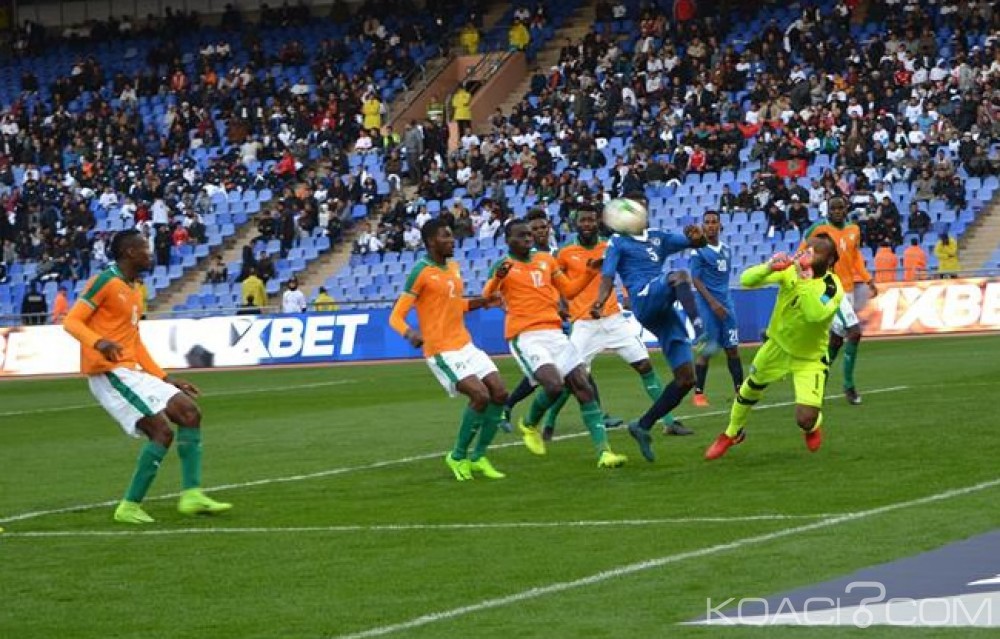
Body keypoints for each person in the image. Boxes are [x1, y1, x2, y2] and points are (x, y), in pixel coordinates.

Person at [62, 229, 231, 524]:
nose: (149, 254)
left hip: (132, 371)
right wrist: (98, 342)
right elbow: (71, 321)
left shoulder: (135, 289)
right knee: (161, 432)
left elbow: (135, 341)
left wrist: (164, 378)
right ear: (130, 252)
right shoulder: (105, 281)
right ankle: (128, 506)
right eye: (145, 249)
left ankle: (192, 496)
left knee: (189, 413)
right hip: (109, 372)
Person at [483, 220, 628, 469]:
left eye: (529, 235)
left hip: (554, 332)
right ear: (508, 240)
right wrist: (497, 279)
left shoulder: (546, 260)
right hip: (525, 335)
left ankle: (605, 453)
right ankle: (529, 423)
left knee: (583, 387)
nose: (528, 239)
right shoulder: (503, 266)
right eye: (521, 235)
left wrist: (590, 272)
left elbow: (569, 291)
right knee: (554, 385)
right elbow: (488, 297)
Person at [540, 206, 690, 439]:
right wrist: (560, 304)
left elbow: (622, 273)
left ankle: (669, 421)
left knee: (644, 365)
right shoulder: (565, 252)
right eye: (583, 220)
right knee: (572, 374)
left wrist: (629, 295)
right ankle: (549, 422)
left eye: (591, 219)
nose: (588, 224)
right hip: (584, 322)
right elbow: (557, 282)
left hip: (613, 317)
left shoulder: (610, 245)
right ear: (576, 224)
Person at [389, 219, 510, 481]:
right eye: (446, 236)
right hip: (441, 350)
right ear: (432, 241)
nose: (452, 240)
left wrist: (485, 301)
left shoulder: (453, 267)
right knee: (480, 396)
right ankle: (457, 456)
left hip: (464, 344)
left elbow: (457, 306)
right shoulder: (420, 272)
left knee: (499, 393)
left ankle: (478, 457)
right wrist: (410, 333)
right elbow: (396, 316)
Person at [704, 234, 844, 460]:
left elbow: (814, 314)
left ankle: (813, 426)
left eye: (815, 252)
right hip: (776, 347)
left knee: (805, 419)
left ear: (828, 261)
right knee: (750, 388)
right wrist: (769, 267)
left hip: (810, 358)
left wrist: (804, 281)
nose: (808, 254)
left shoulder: (832, 287)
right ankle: (730, 433)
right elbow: (746, 280)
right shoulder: (790, 270)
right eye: (808, 249)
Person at [590, 206, 708, 462]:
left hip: (663, 309)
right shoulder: (618, 242)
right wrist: (599, 302)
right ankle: (700, 328)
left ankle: (642, 425)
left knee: (686, 379)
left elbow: (696, 242)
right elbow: (607, 276)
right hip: (643, 299)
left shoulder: (659, 237)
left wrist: (697, 236)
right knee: (679, 275)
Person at [800, 197, 877, 406]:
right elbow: (802, 251)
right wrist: (804, 275)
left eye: (839, 208)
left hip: (848, 288)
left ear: (845, 209)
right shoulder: (818, 228)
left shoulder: (854, 230)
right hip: (829, 288)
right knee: (854, 332)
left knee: (836, 339)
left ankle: (818, 378)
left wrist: (868, 279)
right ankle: (849, 386)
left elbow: (855, 258)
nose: (836, 211)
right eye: (832, 208)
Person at [690, 210, 744, 407]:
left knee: (732, 349)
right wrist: (712, 303)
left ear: (720, 225)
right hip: (708, 306)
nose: (711, 225)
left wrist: (723, 302)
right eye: (707, 222)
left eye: (714, 222)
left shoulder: (727, 250)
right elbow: (695, 280)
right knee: (708, 350)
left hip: (726, 305)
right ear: (703, 226)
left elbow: (722, 281)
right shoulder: (698, 251)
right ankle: (698, 393)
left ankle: (740, 390)